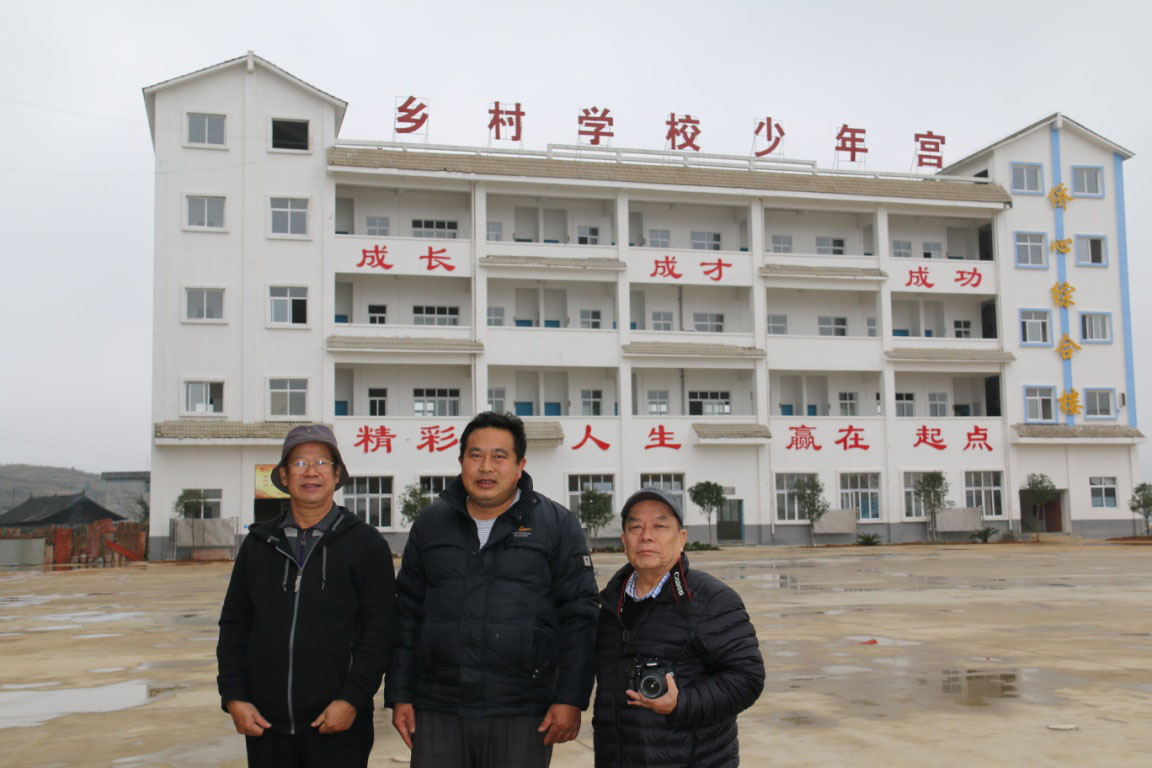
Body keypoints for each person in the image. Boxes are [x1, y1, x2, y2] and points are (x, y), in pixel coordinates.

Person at [387, 411, 599, 768]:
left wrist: (571, 698)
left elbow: (580, 616)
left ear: (519, 466)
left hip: (522, 710)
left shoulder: (556, 525)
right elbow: (407, 614)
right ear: (461, 462)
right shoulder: (430, 525)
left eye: (499, 456)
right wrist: (400, 693)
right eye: (476, 455)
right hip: (439, 707)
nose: (486, 467)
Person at [217, 424, 396, 768]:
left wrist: (352, 699)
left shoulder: (366, 544)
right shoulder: (258, 545)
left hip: (337, 723)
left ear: (337, 474)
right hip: (266, 726)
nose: (311, 472)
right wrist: (234, 696)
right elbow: (235, 625)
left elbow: (380, 631)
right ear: (284, 475)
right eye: (299, 463)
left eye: (322, 462)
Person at [592, 487, 765, 768]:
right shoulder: (610, 604)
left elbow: (747, 678)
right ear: (624, 540)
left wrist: (681, 703)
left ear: (681, 539)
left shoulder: (712, 600)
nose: (646, 536)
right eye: (636, 527)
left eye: (660, 526)